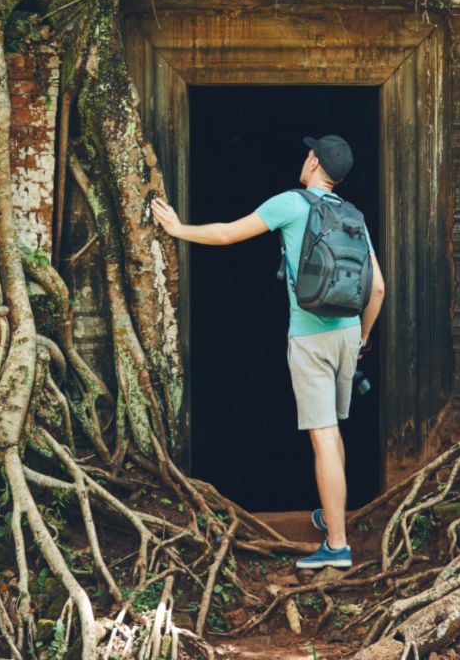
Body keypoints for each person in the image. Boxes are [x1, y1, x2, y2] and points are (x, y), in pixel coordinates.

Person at [151, 135, 385, 569]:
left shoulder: (292, 204)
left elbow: (226, 235)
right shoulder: (353, 215)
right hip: (349, 333)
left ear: (314, 162)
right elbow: (378, 286)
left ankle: (336, 545)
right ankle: (332, 517)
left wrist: (177, 228)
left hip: (310, 337)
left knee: (323, 436)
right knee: (333, 432)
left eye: (307, 153)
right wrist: (363, 337)